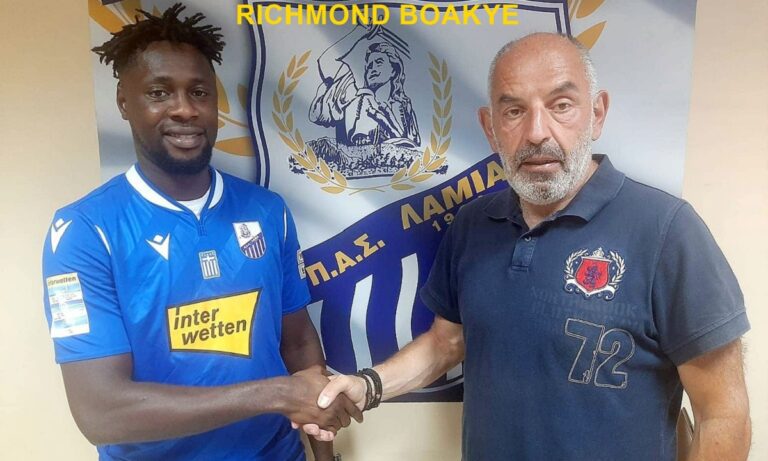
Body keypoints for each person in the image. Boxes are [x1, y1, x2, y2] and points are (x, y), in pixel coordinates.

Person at [308, 33, 752, 460]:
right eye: (514, 111)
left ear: (597, 114)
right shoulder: (472, 224)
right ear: (491, 128)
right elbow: (446, 342)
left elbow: (723, 416)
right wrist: (367, 386)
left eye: (561, 105)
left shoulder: (667, 230)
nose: (537, 132)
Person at [41, 4, 359, 460]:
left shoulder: (267, 211)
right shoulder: (83, 232)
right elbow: (100, 412)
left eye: (199, 92)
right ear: (124, 102)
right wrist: (276, 394)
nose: (185, 110)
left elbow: (297, 341)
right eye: (159, 92)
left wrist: (323, 456)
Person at [309, 24, 420, 148]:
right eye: (369, 65)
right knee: (364, 98)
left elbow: (416, 144)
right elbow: (326, 60)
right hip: (356, 155)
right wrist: (361, 31)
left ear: (394, 70)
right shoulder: (352, 92)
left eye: (378, 62)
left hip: (396, 158)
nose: (372, 68)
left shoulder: (403, 105)